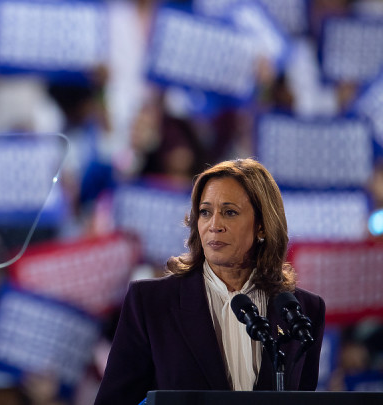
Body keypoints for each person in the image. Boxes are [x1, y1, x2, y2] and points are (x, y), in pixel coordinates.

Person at [94, 159, 325, 405]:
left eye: (230, 212)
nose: (214, 225)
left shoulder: (304, 310)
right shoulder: (151, 303)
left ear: (262, 226)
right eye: (205, 212)